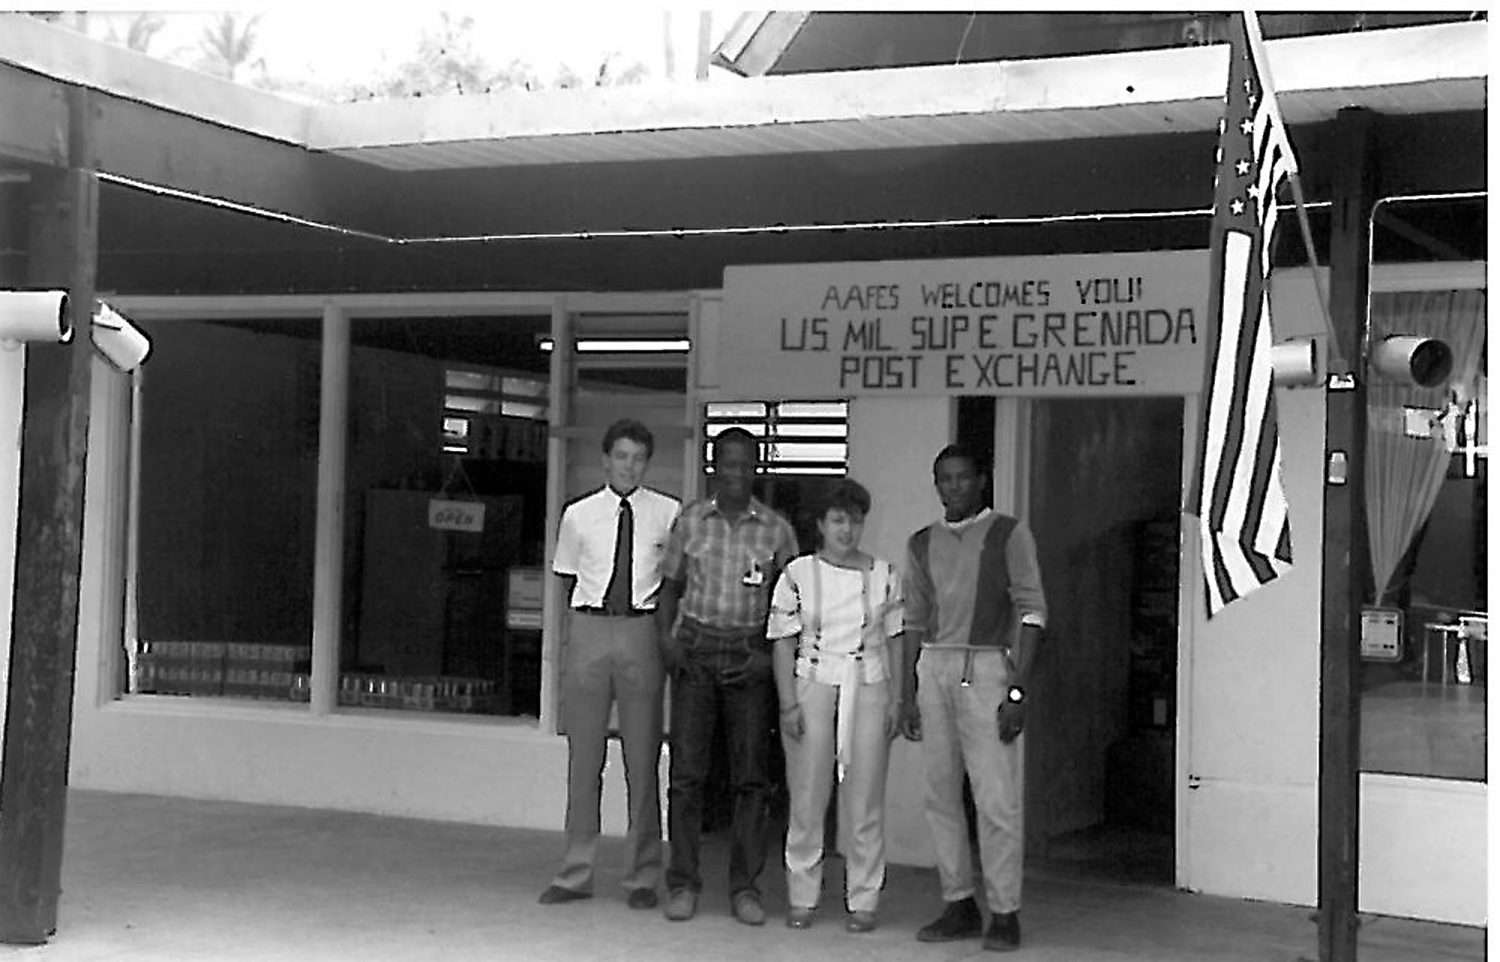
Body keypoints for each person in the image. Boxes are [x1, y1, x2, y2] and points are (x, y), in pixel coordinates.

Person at [898, 444, 1047, 953]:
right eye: (945, 479)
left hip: (986, 667)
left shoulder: (1008, 532)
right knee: (940, 795)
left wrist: (1017, 688)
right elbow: (913, 620)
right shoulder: (921, 542)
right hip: (934, 666)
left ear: (980, 481)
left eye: (963, 478)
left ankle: (1005, 912)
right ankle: (958, 901)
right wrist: (905, 696)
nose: (954, 487)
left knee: (996, 799)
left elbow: (1031, 610)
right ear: (935, 484)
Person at [656, 427, 799, 926]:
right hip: (694, 653)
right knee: (687, 778)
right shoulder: (691, 521)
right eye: (728, 464)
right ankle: (683, 883)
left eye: (746, 465)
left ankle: (746, 888)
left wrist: (767, 656)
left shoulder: (777, 530)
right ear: (713, 467)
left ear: (756, 469)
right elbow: (668, 590)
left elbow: (793, 608)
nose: (737, 473)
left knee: (751, 781)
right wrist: (668, 644)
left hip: (749, 659)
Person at [539, 418, 681, 910]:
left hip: (641, 630)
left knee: (642, 759)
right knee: (584, 758)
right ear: (606, 459)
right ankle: (575, 870)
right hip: (590, 628)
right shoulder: (578, 515)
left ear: (648, 462)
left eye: (639, 458)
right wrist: (572, 642)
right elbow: (565, 580)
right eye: (621, 456)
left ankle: (642, 875)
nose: (629, 466)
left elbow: (673, 584)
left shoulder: (669, 513)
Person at [767, 478, 904, 934]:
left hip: (867, 683)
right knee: (807, 794)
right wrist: (788, 703)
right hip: (814, 681)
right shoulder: (798, 573)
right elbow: (783, 642)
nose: (847, 529)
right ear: (821, 525)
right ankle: (802, 895)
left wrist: (898, 698)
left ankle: (864, 897)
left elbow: (896, 640)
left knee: (864, 796)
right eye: (838, 520)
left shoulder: (885, 574)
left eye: (855, 520)